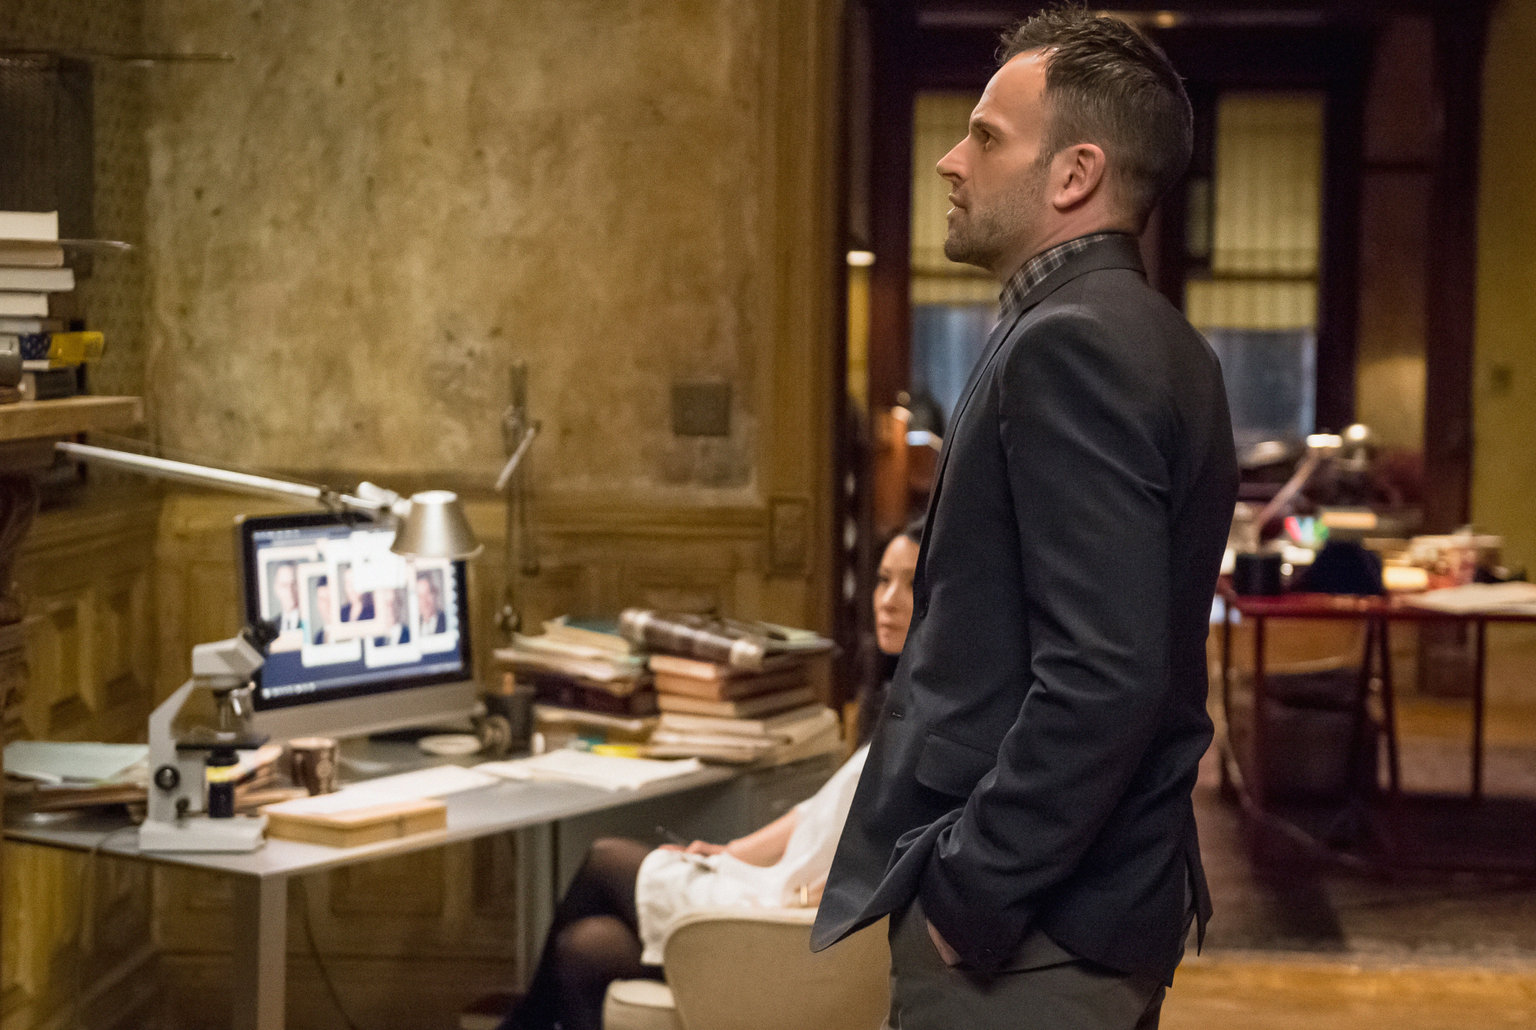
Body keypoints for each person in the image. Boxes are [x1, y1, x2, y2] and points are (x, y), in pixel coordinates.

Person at [811, 9, 1238, 1030]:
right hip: (1081, 915)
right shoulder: (1151, 336)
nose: (951, 161)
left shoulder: (1073, 343)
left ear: (1074, 174)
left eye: (986, 136)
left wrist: (971, 894)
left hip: (1034, 937)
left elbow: (1105, 675)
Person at [497, 520, 924, 1030]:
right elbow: (815, 812)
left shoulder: (930, 729)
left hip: (785, 924)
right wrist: (731, 852)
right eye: (883, 580)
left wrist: (800, 896)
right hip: (775, 897)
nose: (889, 600)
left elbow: (881, 871)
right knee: (583, 947)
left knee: (604, 859)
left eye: (910, 584)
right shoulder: (901, 706)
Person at [416, 569, 448, 636]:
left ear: (435, 593)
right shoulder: (414, 628)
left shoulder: (447, 621)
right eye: (420, 597)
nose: (425, 601)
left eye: (428, 593)